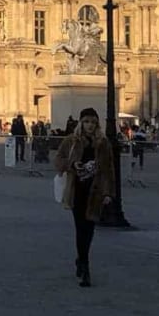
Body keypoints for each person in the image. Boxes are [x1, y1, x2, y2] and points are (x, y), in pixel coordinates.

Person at [53, 109, 115, 288]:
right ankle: (85, 267)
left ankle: (81, 259)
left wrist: (108, 193)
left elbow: (109, 170)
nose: (90, 125)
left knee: (89, 230)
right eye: (87, 122)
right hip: (77, 190)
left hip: (94, 192)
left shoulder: (103, 144)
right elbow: (58, 160)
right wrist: (72, 164)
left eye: (93, 122)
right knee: (81, 228)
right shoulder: (71, 141)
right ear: (81, 123)